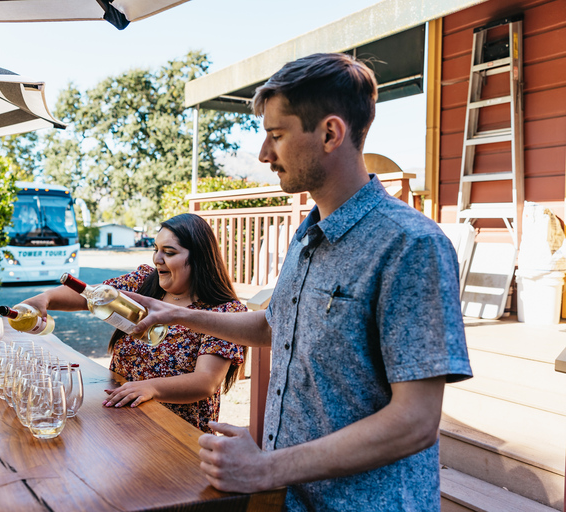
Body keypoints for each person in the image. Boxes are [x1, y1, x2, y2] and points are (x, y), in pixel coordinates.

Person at [127, 53, 473, 511]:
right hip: (291, 496)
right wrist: (178, 314)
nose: (264, 154)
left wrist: (265, 467)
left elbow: (415, 421)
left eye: (276, 135)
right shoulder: (308, 233)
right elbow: (276, 327)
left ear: (330, 133)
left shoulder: (410, 245)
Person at [22, 213, 246, 433]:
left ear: (200, 258)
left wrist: (151, 387)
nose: (157, 259)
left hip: (176, 435)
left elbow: (205, 382)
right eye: (156, 249)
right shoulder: (144, 282)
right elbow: (90, 295)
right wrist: (46, 298)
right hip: (121, 423)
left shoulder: (225, 312)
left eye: (168, 252)